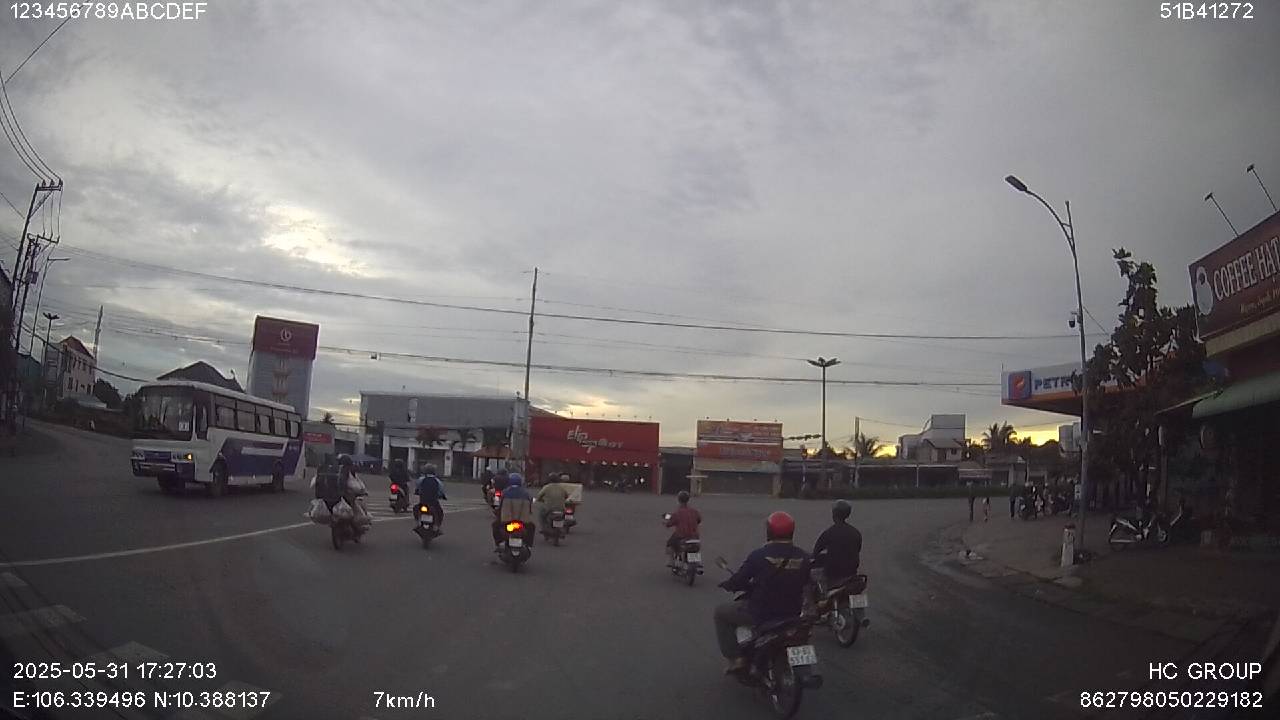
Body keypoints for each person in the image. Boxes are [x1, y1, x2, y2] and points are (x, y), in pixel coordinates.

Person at [715, 512, 811, 674]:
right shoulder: (804, 557)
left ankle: (736, 658)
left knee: (721, 613)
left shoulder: (758, 555)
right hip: (793, 612)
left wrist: (729, 584)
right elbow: (809, 582)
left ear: (769, 531)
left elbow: (740, 579)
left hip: (762, 612)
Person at [812, 500, 862, 587]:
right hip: (852, 573)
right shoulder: (856, 533)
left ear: (834, 514)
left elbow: (816, 552)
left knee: (813, 577)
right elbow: (858, 549)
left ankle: (822, 594)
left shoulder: (828, 533)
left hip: (833, 574)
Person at [492, 472, 536, 549]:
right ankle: (529, 545)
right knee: (532, 527)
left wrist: (498, 512)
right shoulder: (526, 493)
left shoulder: (505, 492)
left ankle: (499, 543)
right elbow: (531, 503)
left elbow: (500, 505)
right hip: (523, 521)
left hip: (507, 520)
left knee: (495, 525)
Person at [664, 490, 702, 563]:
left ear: (678, 500)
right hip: (695, 537)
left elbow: (669, 523)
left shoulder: (677, 512)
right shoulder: (694, 511)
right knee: (695, 548)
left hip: (682, 536)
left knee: (669, 544)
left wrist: (666, 523)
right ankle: (695, 561)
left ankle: (671, 561)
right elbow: (699, 520)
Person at [416, 463, 446, 532]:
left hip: (423, 501)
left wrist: (419, 492)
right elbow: (441, 491)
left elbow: (417, 487)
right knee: (440, 513)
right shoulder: (437, 481)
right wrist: (441, 495)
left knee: (416, 509)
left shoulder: (421, 479)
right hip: (433, 502)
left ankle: (418, 523)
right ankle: (437, 525)